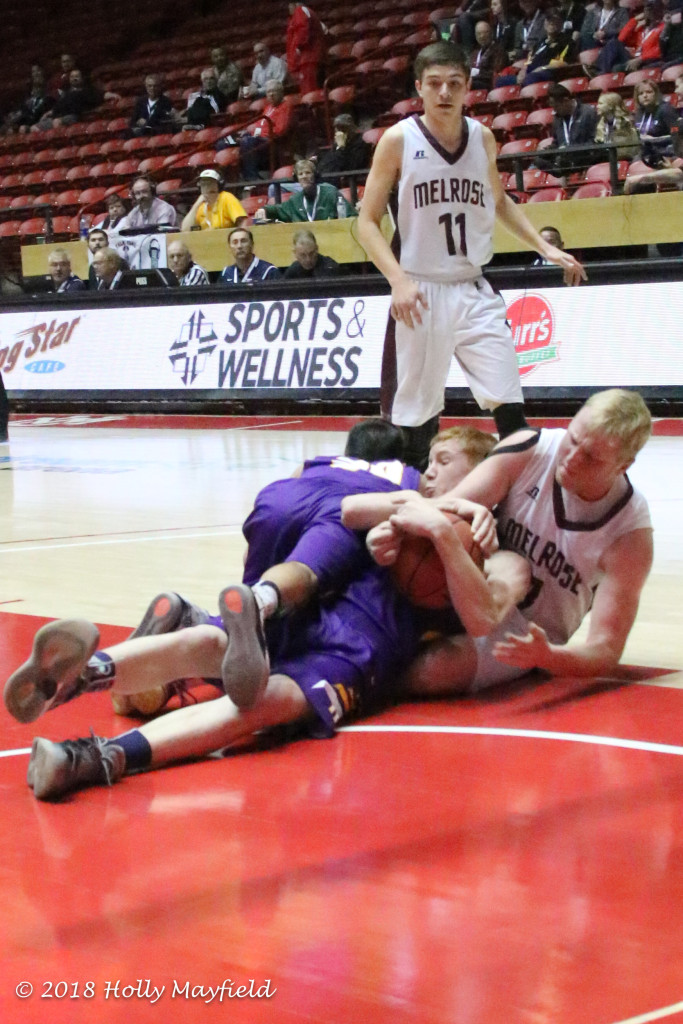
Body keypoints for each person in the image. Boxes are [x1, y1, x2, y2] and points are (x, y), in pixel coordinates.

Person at [7, 422, 513, 799]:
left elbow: (484, 616)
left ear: (484, 471)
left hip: (364, 647)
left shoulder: (499, 550)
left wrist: (445, 533)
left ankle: (90, 758)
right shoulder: (410, 501)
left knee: (269, 700)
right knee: (215, 643)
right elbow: (350, 511)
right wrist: (408, 522)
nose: (430, 470)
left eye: (445, 462)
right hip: (322, 609)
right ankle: (82, 675)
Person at [357, 41, 586, 472]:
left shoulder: (482, 137)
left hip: (474, 286)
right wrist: (398, 281)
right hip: (420, 289)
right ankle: (416, 499)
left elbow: (498, 202)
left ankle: (519, 492)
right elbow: (366, 222)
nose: (445, 93)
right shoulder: (398, 140)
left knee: (508, 399)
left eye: (455, 84)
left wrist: (544, 245)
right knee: (416, 414)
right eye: (435, 84)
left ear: (467, 89)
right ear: (419, 89)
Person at [349, 389, 654, 698]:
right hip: (479, 577)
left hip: (526, 632)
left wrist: (547, 657)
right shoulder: (530, 449)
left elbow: (605, 649)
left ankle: (359, 690)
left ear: (623, 465)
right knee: (379, 578)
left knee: (433, 670)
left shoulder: (629, 535)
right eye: (573, 439)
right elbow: (448, 507)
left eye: (591, 457)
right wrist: (388, 530)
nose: (572, 459)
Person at [255, 158, 356, 222]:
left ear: (315, 176)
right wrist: (264, 209)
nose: (304, 177)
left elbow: (352, 216)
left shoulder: (330, 192)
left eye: (308, 173)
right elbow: (278, 210)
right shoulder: (295, 200)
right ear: (297, 179)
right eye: (301, 174)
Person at [238, 80, 294, 180]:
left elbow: (280, 130)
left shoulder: (285, 106)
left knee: (247, 141)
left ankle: (252, 179)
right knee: (229, 141)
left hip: (273, 144)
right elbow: (260, 125)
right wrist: (249, 131)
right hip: (260, 141)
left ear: (281, 92)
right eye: (268, 92)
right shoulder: (268, 107)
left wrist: (257, 133)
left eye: (274, 91)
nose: (271, 94)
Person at [180, 169, 247, 232]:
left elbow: (243, 222)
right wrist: (196, 205)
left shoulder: (227, 198)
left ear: (218, 185)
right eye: (203, 184)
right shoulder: (200, 206)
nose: (206, 187)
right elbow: (185, 229)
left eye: (210, 183)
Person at [315, 113, 372, 181]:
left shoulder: (361, 143)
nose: (339, 131)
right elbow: (327, 164)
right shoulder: (337, 144)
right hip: (329, 177)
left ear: (351, 128)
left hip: (349, 180)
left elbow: (351, 167)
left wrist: (341, 148)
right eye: (337, 128)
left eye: (342, 128)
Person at [286, 1, 326, 95]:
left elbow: (302, 31)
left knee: (310, 93)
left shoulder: (300, 10)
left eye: (289, 8)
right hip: (312, 58)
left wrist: (298, 48)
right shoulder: (309, 12)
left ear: (294, 4)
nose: (289, 11)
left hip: (308, 58)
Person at [594, 91, 641, 161]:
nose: (597, 106)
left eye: (601, 104)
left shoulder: (626, 123)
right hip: (606, 159)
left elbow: (628, 150)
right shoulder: (600, 124)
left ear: (610, 106)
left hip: (626, 159)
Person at [468, 22, 507, 93]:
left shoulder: (498, 50)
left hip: (489, 83)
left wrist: (478, 72)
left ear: (491, 33)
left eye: (485, 32)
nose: (482, 36)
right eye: (479, 33)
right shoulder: (474, 53)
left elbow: (496, 72)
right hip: (473, 81)